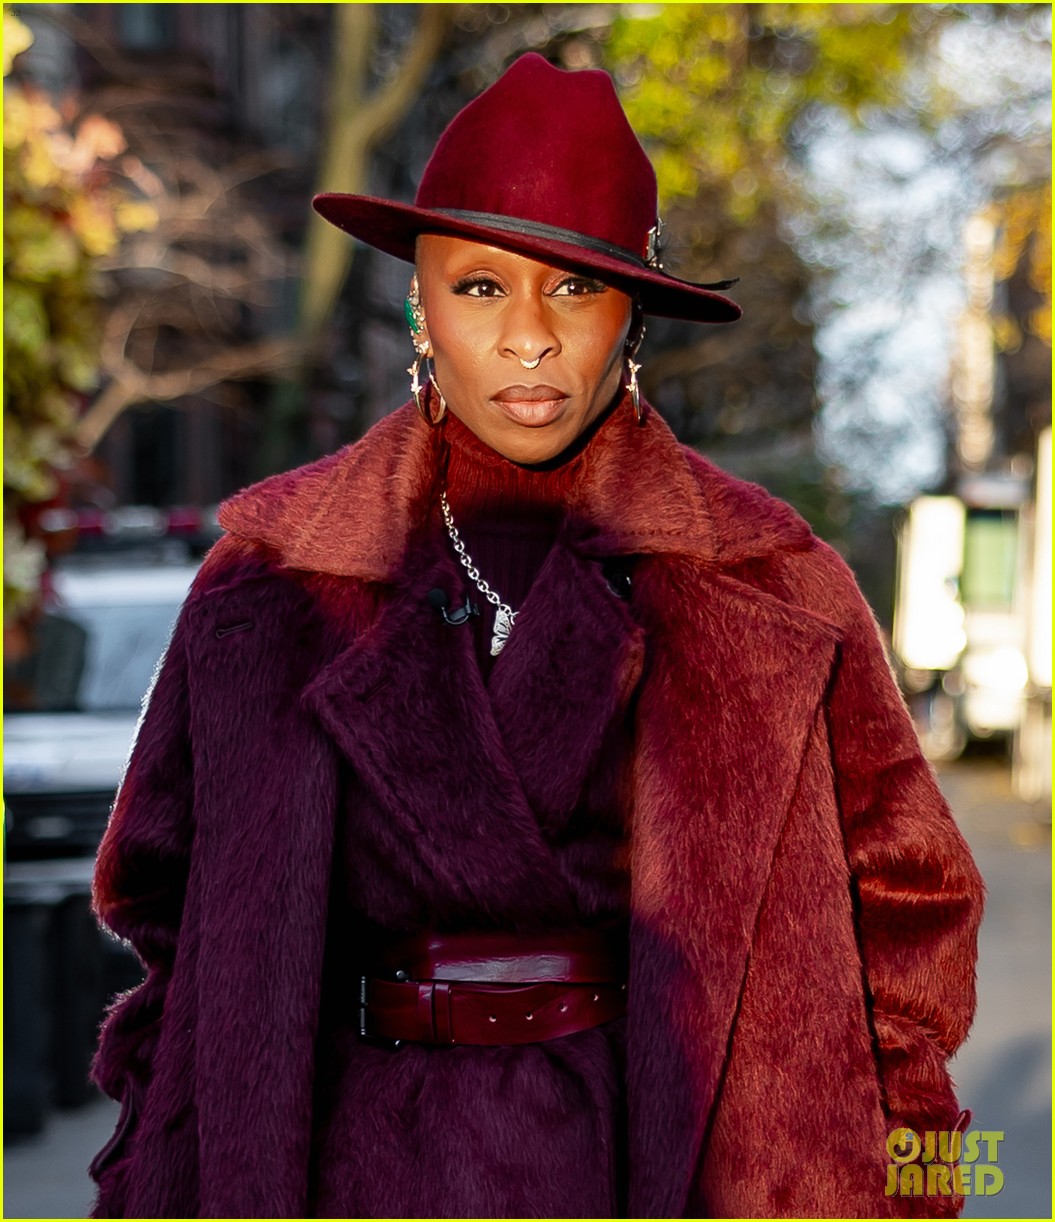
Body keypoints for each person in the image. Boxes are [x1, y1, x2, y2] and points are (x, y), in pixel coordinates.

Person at [87, 53, 984, 1219]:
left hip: (682, 1166)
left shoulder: (772, 584)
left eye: (571, 289)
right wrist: (136, 1178)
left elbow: (912, 936)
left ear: (633, 316)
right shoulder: (268, 585)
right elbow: (162, 920)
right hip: (341, 1167)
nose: (527, 338)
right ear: (417, 301)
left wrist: (928, 1195)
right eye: (479, 287)